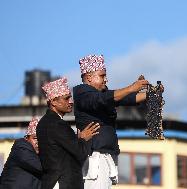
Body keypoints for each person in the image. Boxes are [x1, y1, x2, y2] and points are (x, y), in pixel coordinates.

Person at [73, 54, 154, 188]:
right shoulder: (82, 92)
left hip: (105, 157)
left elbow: (125, 98)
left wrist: (151, 94)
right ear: (89, 77)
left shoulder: (102, 94)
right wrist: (131, 88)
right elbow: (104, 99)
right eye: (102, 75)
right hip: (95, 157)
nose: (106, 79)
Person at [37, 77, 100, 189]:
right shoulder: (57, 124)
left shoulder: (43, 123)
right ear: (53, 102)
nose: (70, 102)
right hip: (62, 183)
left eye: (70, 97)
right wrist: (84, 138)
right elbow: (80, 153)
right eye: (66, 98)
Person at [0, 117, 42, 189]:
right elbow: (42, 167)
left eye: (42, 139)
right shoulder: (22, 148)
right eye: (35, 138)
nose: (38, 142)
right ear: (27, 138)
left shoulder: (39, 154)